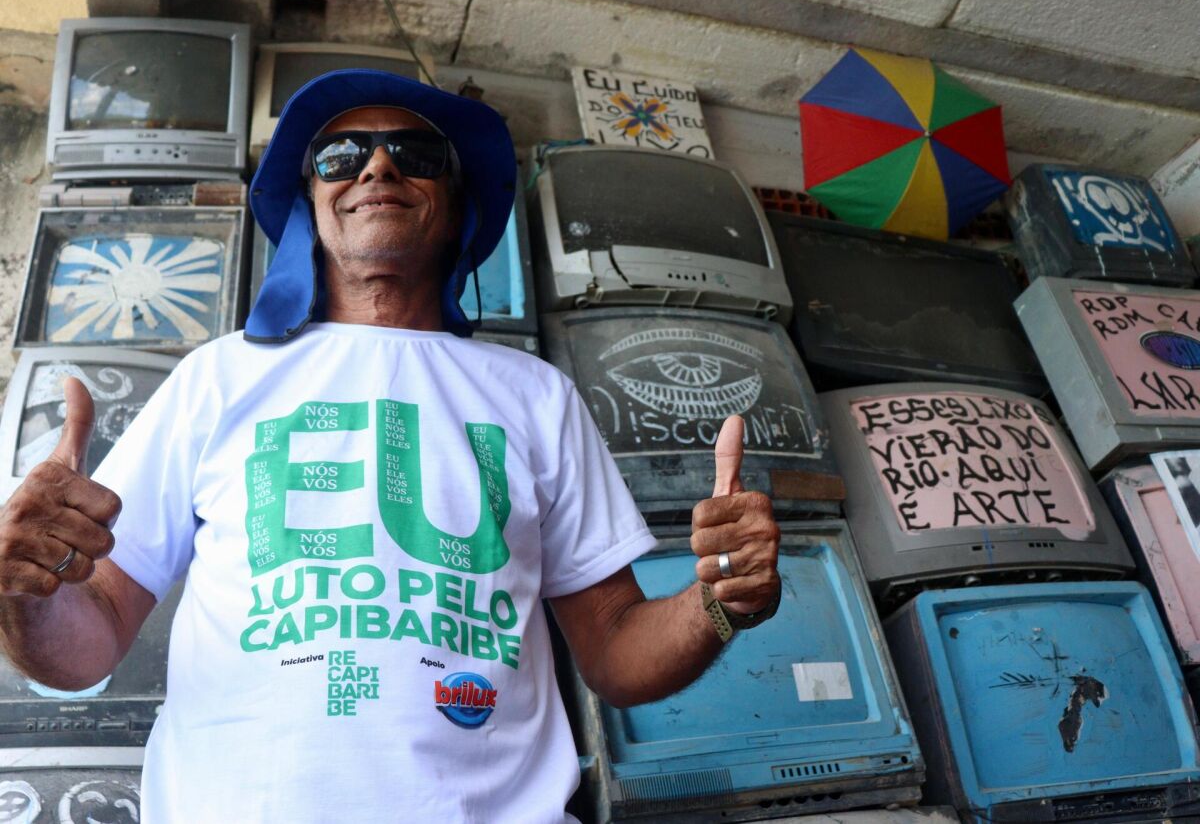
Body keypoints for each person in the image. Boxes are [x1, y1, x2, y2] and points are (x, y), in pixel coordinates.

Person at [0, 71, 781, 822]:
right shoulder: (219, 376)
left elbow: (615, 652)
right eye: (341, 156)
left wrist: (717, 600)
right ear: (311, 198)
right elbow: (85, 645)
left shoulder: (537, 396)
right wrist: (22, 590)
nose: (377, 165)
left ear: (457, 202)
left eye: (416, 155)